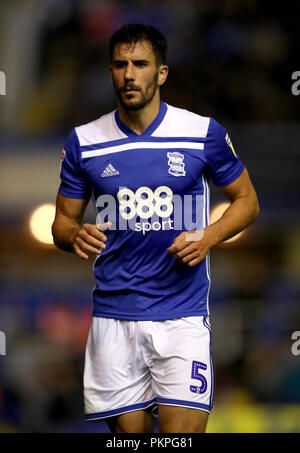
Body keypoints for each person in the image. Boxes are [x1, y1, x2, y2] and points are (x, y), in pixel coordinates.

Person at [52, 23, 259, 433]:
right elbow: (61, 223)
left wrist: (210, 236)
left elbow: (248, 201)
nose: (130, 74)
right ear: (110, 71)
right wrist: (74, 234)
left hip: (181, 317)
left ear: (161, 73)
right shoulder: (85, 141)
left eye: (141, 64)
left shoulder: (201, 133)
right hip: (114, 319)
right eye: (120, 64)